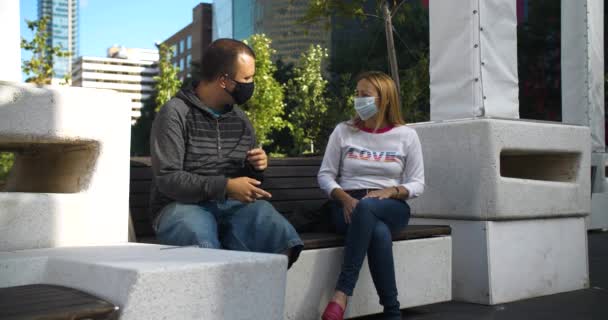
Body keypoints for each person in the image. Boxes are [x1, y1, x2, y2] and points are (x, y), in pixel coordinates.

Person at [149, 38, 303, 268]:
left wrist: (256, 168)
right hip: (180, 206)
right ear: (224, 80)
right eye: (247, 78)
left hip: (231, 205)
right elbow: (168, 179)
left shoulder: (240, 119)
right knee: (200, 242)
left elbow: (248, 181)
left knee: (280, 236)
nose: (251, 84)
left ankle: (257, 299)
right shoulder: (175, 113)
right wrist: (226, 187)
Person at [318, 71, 425, 320]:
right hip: (347, 204)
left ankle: (342, 293)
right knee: (377, 231)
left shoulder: (407, 136)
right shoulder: (343, 131)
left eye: (364, 95)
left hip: (391, 204)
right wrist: (344, 197)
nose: (358, 99)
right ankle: (392, 311)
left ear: (384, 99)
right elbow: (325, 175)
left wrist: (392, 191)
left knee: (368, 209)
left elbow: (418, 183)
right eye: (356, 93)